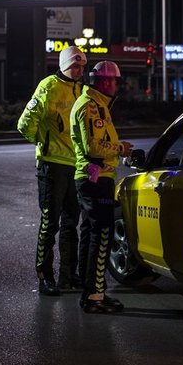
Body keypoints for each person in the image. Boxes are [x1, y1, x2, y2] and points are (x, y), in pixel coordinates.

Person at [17, 46, 86, 296]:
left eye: (81, 66)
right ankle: (45, 276)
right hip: (52, 166)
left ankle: (69, 275)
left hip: (75, 166)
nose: (79, 71)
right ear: (64, 65)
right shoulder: (48, 86)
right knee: (50, 223)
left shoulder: (82, 89)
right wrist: (42, 143)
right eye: (75, 66)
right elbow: (25, 123)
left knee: (71, 223)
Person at [70, 61, 133, 313]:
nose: (116, 85)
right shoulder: (91, 107)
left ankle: (90, 292)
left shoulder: (96, 105)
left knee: (90, 233)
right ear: (106, 82)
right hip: (96, 180)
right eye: (114, 81)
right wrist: (121, 149)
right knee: (102, 235)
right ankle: (95, 296)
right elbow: (93, 148)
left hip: (92, 179)